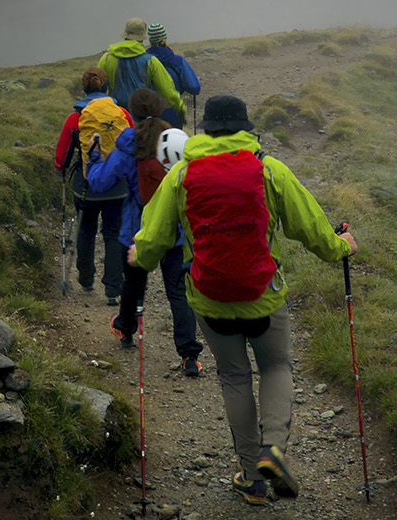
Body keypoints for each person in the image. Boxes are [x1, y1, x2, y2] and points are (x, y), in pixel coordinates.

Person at [131, 95, 358, 506]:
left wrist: (138, 255)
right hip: (263, 298)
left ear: (206, 133)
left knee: (234, 376)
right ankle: (274, 449)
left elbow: (153, 240)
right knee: (275, 364)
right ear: (245, 128)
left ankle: (252, 478)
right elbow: (312, 231)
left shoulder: (181, 175)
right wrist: (341, 245)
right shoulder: (269, 169)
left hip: (208, 299)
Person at [85, 88, 204, 377]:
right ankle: (190, 355)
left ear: (132, 113)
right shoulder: (177, 141)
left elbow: (99, 183)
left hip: (137, 232)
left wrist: (94, 157)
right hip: (175, 232)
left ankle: (126, 329)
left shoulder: (129, 144)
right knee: (178, 291)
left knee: (134, 285)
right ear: (161, 109)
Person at [53, 67, 133, 304]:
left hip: (86, 186)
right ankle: (112, 289)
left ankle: (86, 280)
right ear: (107, 88)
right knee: (113, 233)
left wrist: (62, 169)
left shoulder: (75, 118)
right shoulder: (122, 114)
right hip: (118, 185)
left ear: (84, 89)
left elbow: (61, 157)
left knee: (86, 230)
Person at [98, 18, 185, 125]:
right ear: (142, 38)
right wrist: (180, 108)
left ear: (125, 35)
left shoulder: (106, 59)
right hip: (141, 121)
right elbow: (168, 92)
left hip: (115, 119)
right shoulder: (151, 61)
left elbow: (98, 88)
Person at [145, 22, 201, 126]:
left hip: (148, 117)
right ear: (164, 39)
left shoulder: (143, 61)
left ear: (150, 40)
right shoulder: (177, 61)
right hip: (172, 115)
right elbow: (194, 87)